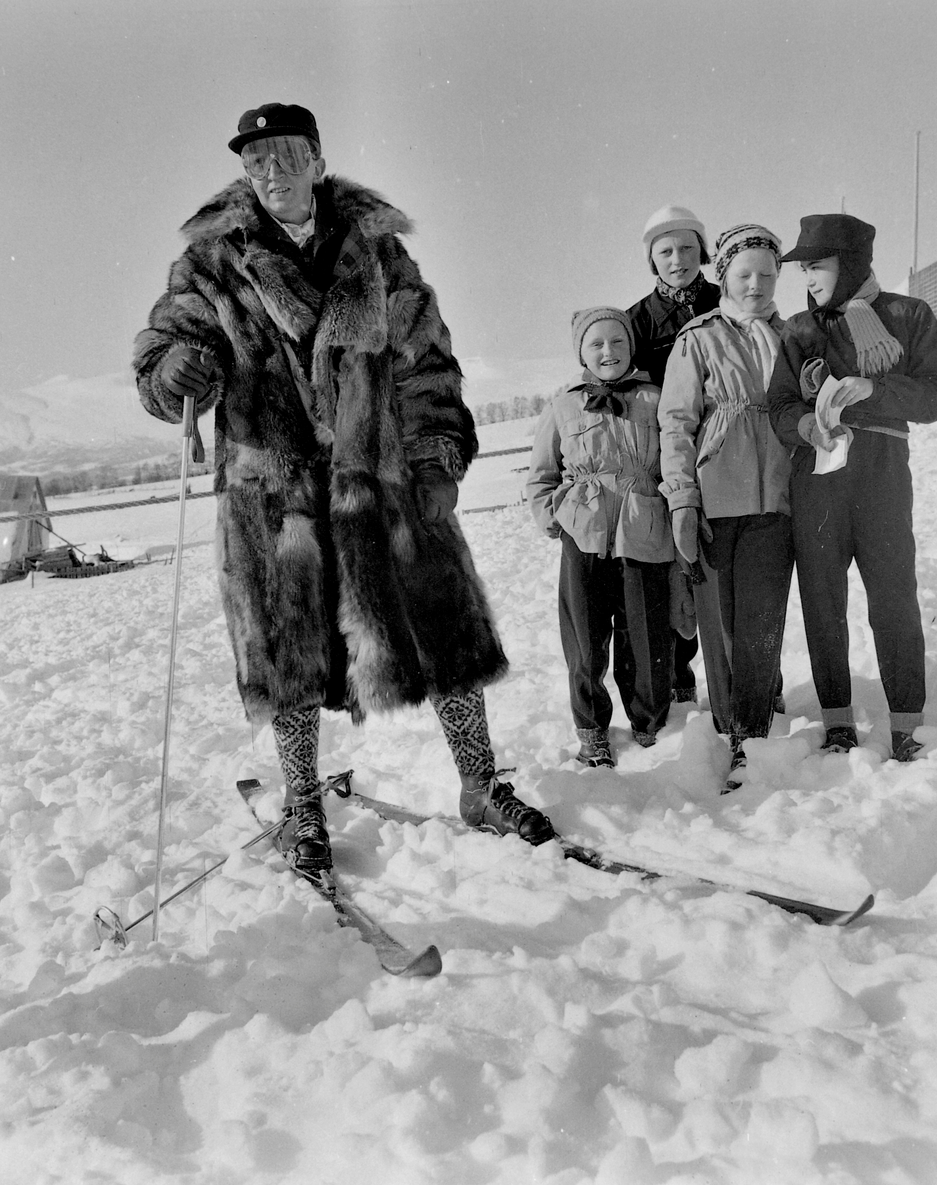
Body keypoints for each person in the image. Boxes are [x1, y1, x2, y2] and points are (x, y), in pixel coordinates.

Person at [133, 103, 553, 872]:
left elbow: (425, 357)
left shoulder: (377, 250)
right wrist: (173, 371)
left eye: (286, 157)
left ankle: (481, 783)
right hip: (276, 497)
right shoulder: (212, 261)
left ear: (318, 161)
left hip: (382, 482)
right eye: (256, 160)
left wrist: (435, 454)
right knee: (288, 657)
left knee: (446, 631)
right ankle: (301, 805)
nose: (270, 173)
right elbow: (168, 344)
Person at [768, 213, 937, 763]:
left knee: (894, 598)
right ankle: (838, 723)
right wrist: (807, 424)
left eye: (818, 265)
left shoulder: (908, 314)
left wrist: (873, 388)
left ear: (851, 264)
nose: (808, 278)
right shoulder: (799, 329)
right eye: (803, 269)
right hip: (818, 479)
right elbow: (779, 405)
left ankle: (907, 725)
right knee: (822, 602)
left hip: (882, 474)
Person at [659, 225, 793, 790]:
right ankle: (729, 724)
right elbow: (676, 424)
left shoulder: (794, 336)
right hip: (718, 498)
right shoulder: (698, 338)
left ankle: (751, 739)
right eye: (744, 276)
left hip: (779, 498)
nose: (756, 286)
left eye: (767, 275)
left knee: (761, 620)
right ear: (722, 277)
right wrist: (683, 500)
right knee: (719, 626)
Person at [525, 308, 674, 768]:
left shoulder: (655, 398)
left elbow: (675, 461)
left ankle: (650, 727)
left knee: (645, 637)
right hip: (583, 534)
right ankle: (592, 731)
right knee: (585, 642)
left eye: (617, 342)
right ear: (582, 353)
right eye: (596, 344)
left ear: (630, 346)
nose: (607, 352)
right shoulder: (563, 404)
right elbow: (541, 474)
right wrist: (554, 518)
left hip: (643, 529)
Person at [626, 206, 733, 723]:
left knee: (728, 571)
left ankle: (749, 684)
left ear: (704, 253)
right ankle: (681, 684)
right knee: (675, 571)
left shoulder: (727, 301)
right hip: (668, 457)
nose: (678, 260)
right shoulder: (637, 321)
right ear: (651, 258)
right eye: (665, 251)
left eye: (688, 249)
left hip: (727, 448)